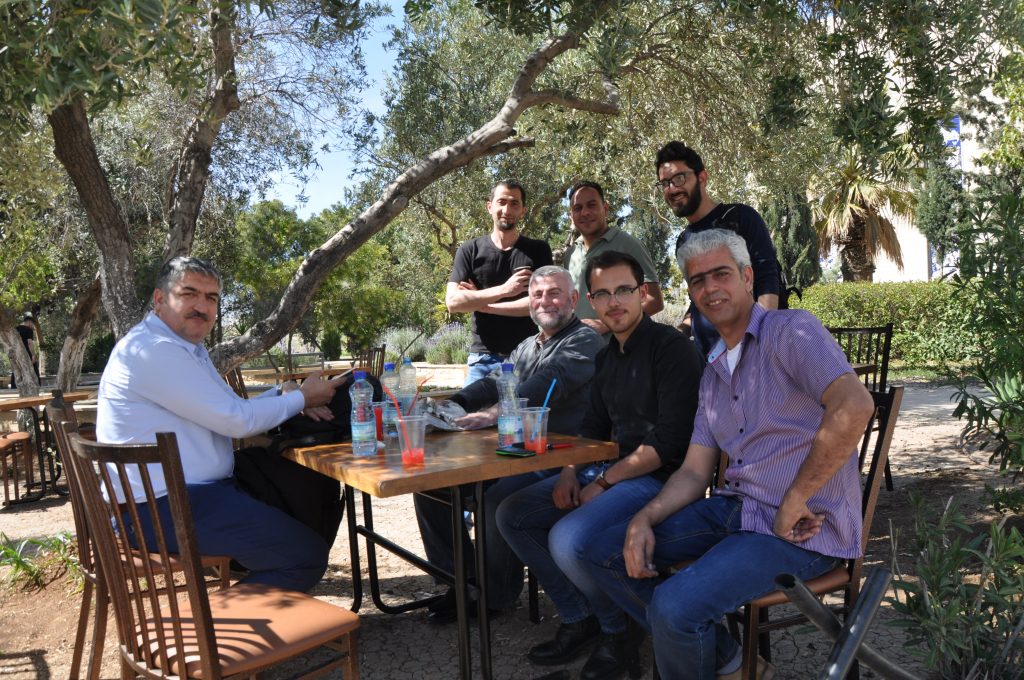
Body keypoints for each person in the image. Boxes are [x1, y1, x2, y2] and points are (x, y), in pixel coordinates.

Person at [584, 229, 875, 680]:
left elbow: (854, 405)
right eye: (697, 280)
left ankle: (702, 646)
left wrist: (796, 497)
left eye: (721, 274)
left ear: (747, 277)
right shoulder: (714, 369)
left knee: (674, 607)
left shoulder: (790, 330)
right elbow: (693, 471)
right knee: (603, 551)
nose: (709, 288)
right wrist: (644, 518)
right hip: (736, 511)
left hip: (802, 529)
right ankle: (732, 662)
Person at [496, 251, 703, 680]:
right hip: (609, 470)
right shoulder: (608, 356)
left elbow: (667, 443)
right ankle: (580, 616)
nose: (614, 302)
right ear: (591, 301)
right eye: (603, 294)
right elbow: (592, 426)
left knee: (569, 539)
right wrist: (570, 471)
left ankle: (619, 632)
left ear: (643, 293)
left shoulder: (671, 349)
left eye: (623, 290)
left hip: (661, 480)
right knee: (512, 512)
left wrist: (603, 482)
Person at [97, 256, 346, 592]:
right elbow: (236, 422)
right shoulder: (154, 350)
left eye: (211, 298)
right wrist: (302, 399)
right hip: (158, 509)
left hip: (192, 494)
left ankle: (253, 578)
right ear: (160, 299)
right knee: (305, 556)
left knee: (303, 486)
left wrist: (285, 393)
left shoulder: (185, 348)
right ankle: (208, 624)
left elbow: (230, 408)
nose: (202, 307)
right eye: (189, 294)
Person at [416, 265, 604, 623]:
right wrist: (454, 404)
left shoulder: (584, 341)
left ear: (573, 299)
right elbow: (494, 380)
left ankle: (495, 597)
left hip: (562, 457)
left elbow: (548, 382)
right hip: (517, 452)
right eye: (537, 294)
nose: (545, 301)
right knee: (431, 486)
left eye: (554, 293)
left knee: (496, 497)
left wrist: (492, 414)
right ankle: (463, 583)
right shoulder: (527, 346)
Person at [654, 141, 785, 355]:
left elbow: (767, 282)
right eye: (665, 183)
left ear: (702, 178)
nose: (672, 189)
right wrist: (678, 334)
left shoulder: (741, 218)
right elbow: (698, 302)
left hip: (749, 354)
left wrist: (756, 346)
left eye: (679, 178)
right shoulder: (683, 242)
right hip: (708, 361)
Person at [447, 181, 554, 385]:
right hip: (482, 360)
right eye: (501, 202)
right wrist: (505, 290)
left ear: (523, 210)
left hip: (526, 358)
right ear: (490, 206)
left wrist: (481, 304)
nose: (507, 210)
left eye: (514, 203)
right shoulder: (469, 250)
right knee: (467, 406)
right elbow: (453, 302)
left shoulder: (538, 250)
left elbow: (539, 304)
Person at [562, 181, 664, 336]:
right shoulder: (571, 254)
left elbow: (654, 300)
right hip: (578, 348)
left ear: (605, 208)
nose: (585, 212)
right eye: (578, 208)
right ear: (571, 215)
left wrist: (605, 324)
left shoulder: (629, 245)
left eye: (591, 205)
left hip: (622, 349)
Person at [10, 314, 40, 389]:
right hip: (26, 353)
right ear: (29, 322)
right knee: (34, 369)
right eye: (32, 324)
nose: (32, 325)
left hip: (16, 353)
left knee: (17, 369)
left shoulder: (15, 329)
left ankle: (14, 387)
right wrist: (33, 355)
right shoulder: (29, 330)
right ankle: (36, 386)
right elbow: (29, 343)